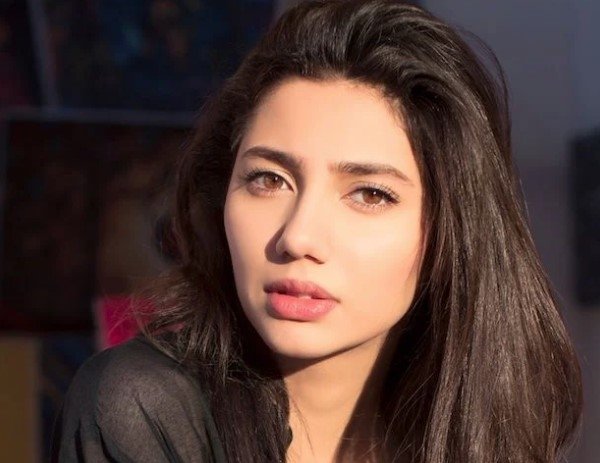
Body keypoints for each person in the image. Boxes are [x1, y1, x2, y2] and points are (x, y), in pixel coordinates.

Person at [51, 1, 583, 462]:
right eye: (268, 179)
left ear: (452, 232)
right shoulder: (143, 406)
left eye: (369, 194)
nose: (298, 237)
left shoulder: (486, 427)